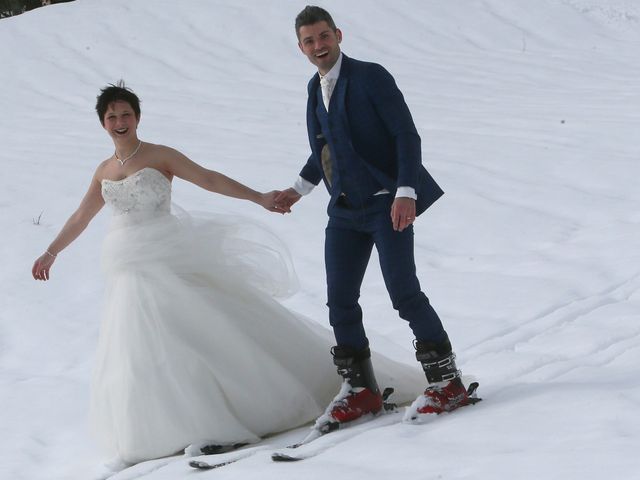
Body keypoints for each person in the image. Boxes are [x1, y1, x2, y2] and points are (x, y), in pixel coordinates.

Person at [31, 82, 421, 467]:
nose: (120, 121)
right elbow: (82, 215)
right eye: (112, 116)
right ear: (102, 123)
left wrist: (258, 197)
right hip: (126, 267)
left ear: (138, 117)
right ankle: (159, 429)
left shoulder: (159, 155)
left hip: (165, 257)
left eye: (126, 114)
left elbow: (208, 178)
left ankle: (220, 421)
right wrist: (51, 252)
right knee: (140, 351)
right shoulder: (102, 170)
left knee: (193, 338)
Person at [275, 6, 479, 427]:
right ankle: (361, 390)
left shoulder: (371, 76)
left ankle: (447, 383)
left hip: (388, 203)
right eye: (309, 41)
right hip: (345, 211)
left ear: (339, 34)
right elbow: (326, 147)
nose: (318, 46)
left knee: (404, 294)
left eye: (324, 36)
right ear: (300, 47)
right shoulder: (315, 89)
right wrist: (296, 190)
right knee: (340, 301)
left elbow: (406, 134)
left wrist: (406, 191)